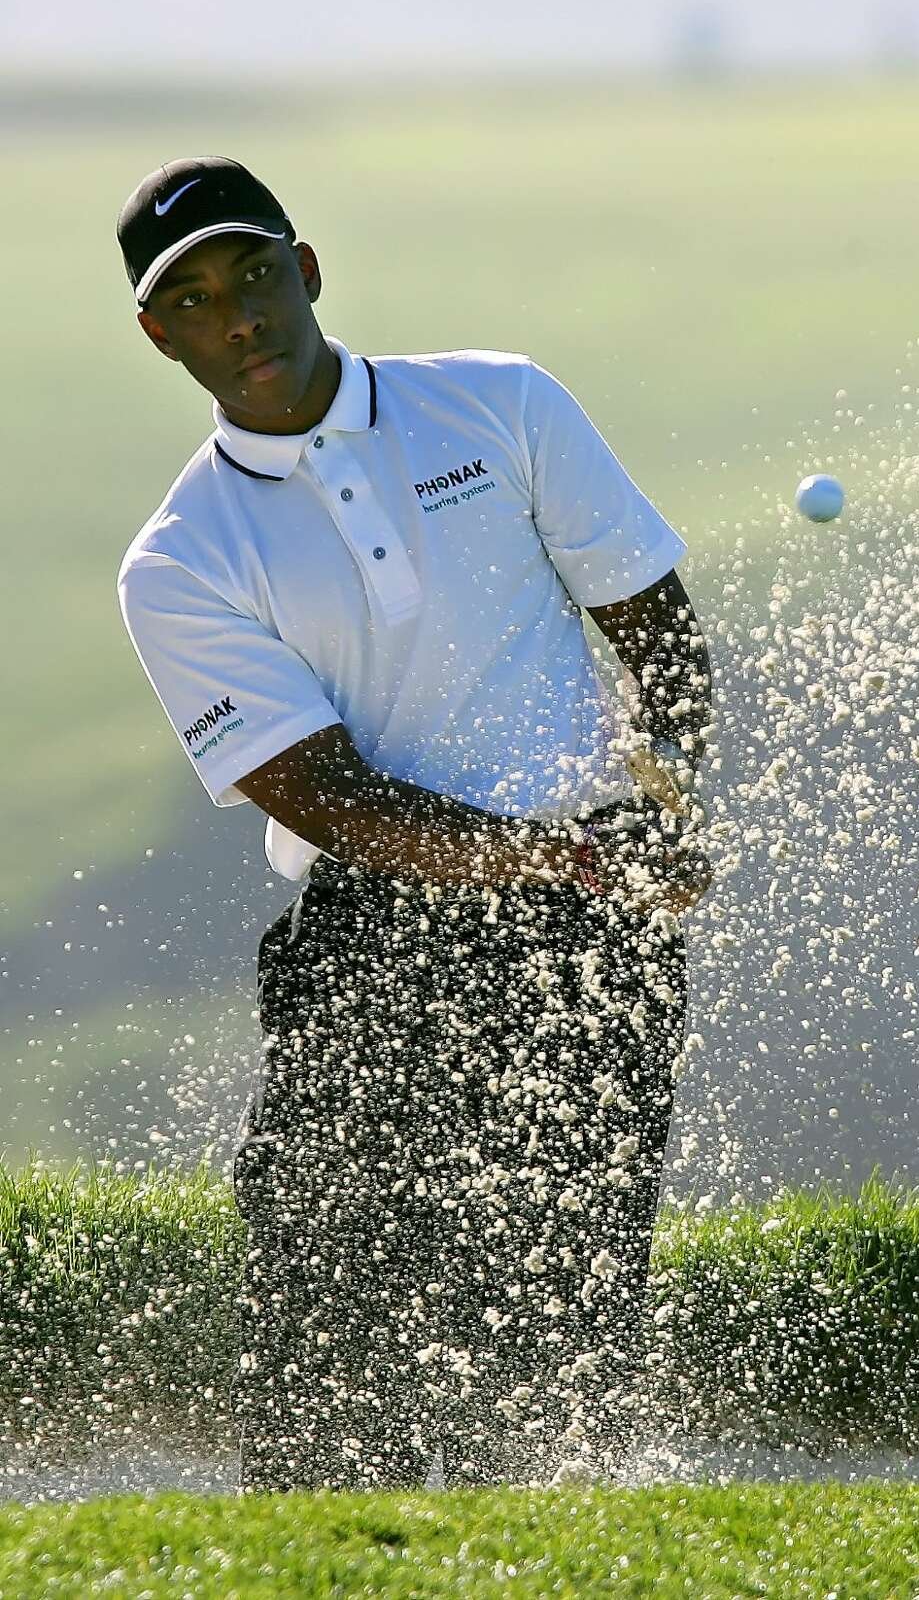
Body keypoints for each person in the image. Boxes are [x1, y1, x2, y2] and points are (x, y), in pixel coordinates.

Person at [114, 156, 714, 1494]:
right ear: (162, 335)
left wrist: (664, 785)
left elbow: (656, 623)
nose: (241, 317)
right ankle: (336, 1551)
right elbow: (329, 796)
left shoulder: (498, 403)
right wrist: (563, 851)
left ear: (307, 269)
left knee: (566, 1283)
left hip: (589, 929)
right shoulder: (180, 559)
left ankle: (573, 1541)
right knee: (320, 1293)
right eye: (196, 298)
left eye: (256, 274)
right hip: (375, 937)